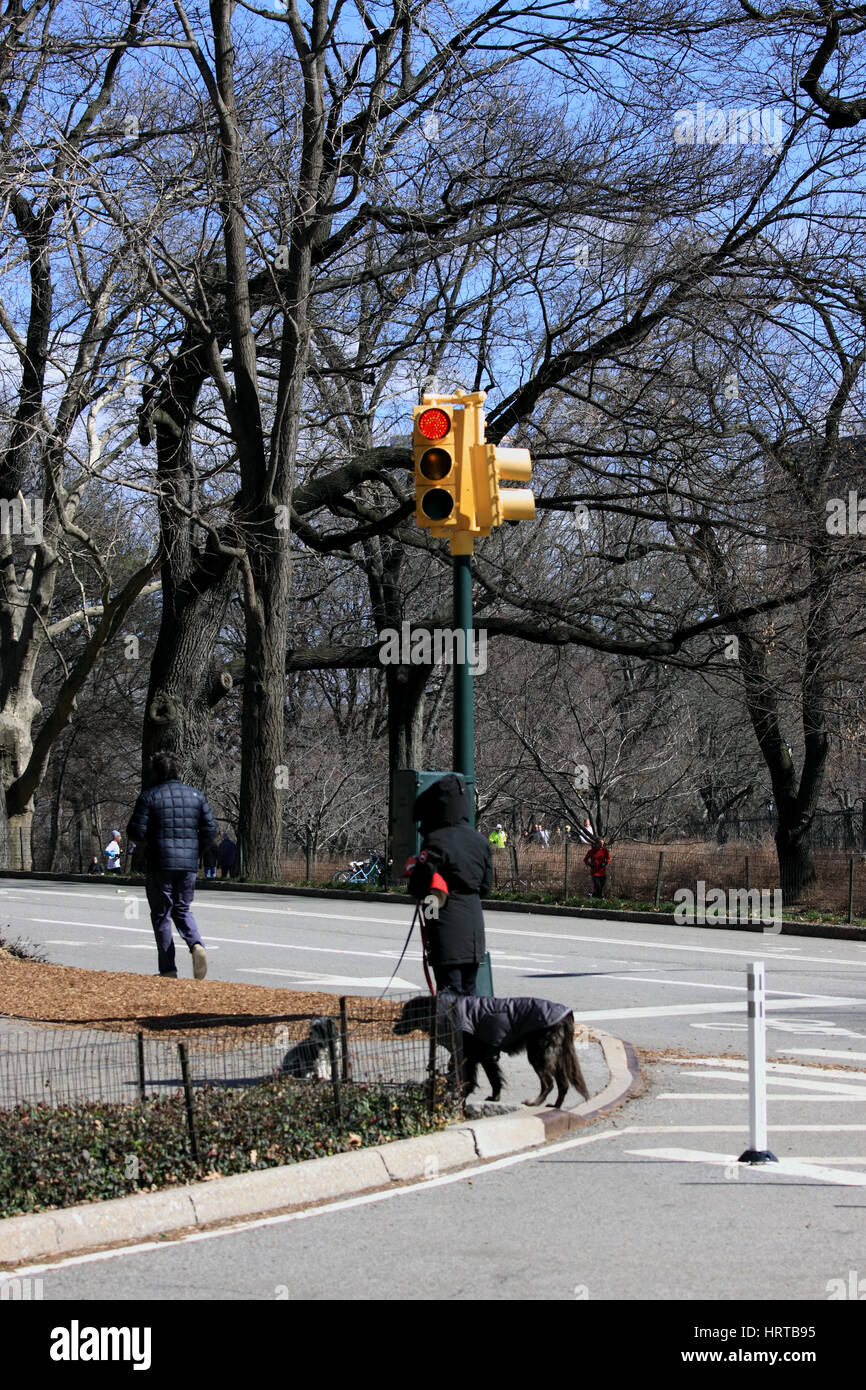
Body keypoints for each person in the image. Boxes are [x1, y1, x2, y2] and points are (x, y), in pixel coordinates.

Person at [127, 751, 217, 979]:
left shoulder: (149, 796)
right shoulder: (196, 796)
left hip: (160, 862)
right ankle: (196, 945)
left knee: (161, 914)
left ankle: (168, 969)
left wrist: (149, 842)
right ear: (178, 771)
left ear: (156, 772)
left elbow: (135, 831)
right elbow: (210, 830)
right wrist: (197, 850)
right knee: (182, 908)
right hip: (187, 864)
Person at [405, 773, 492, 996]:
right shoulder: (480, 842)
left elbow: (419, 887)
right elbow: (485, 888)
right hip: (473, 926)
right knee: (470, 994)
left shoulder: (436, 840)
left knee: (449, 993)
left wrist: (415, 871)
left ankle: (451, 1030)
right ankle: (469, 1031)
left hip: (444, 923)